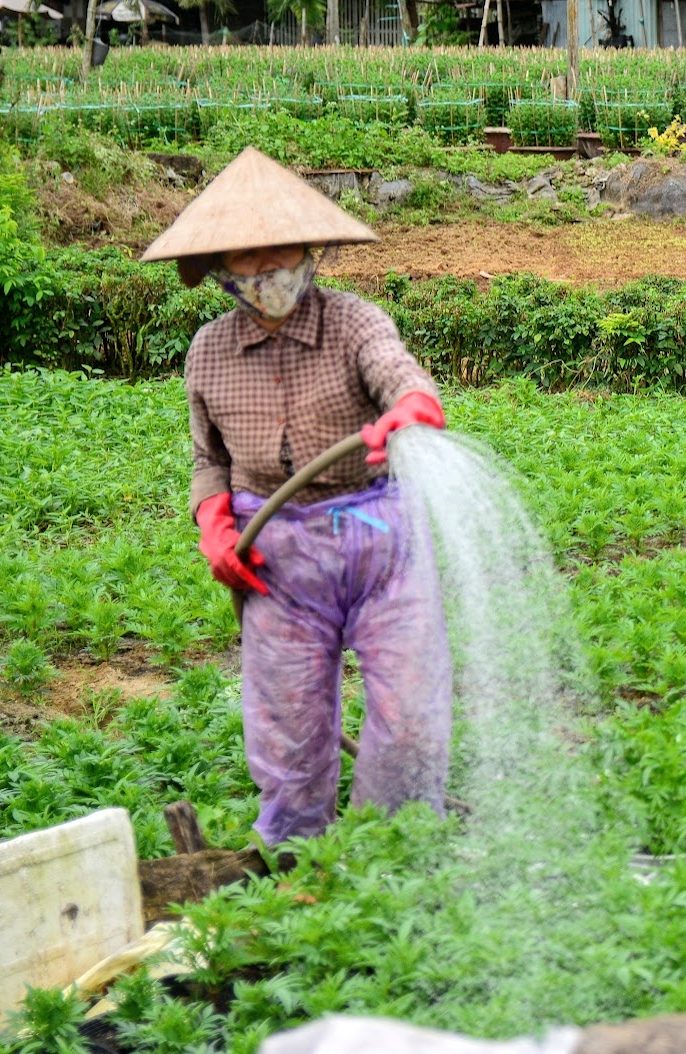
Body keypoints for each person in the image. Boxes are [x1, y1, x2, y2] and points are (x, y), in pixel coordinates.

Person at [141, 148, 452, 847]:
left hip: (381, 545)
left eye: (277, 251)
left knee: (409, 717)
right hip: (277, 560)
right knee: (289, 728)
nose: (263, 270)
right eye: (244, 258)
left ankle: (390, 853)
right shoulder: (208, 353)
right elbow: (207, 459)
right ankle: (296, 859)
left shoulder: (355, 323)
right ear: (220, 268)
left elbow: (399, 374)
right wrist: (214, 522)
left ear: (309, 249)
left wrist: (414, 404)